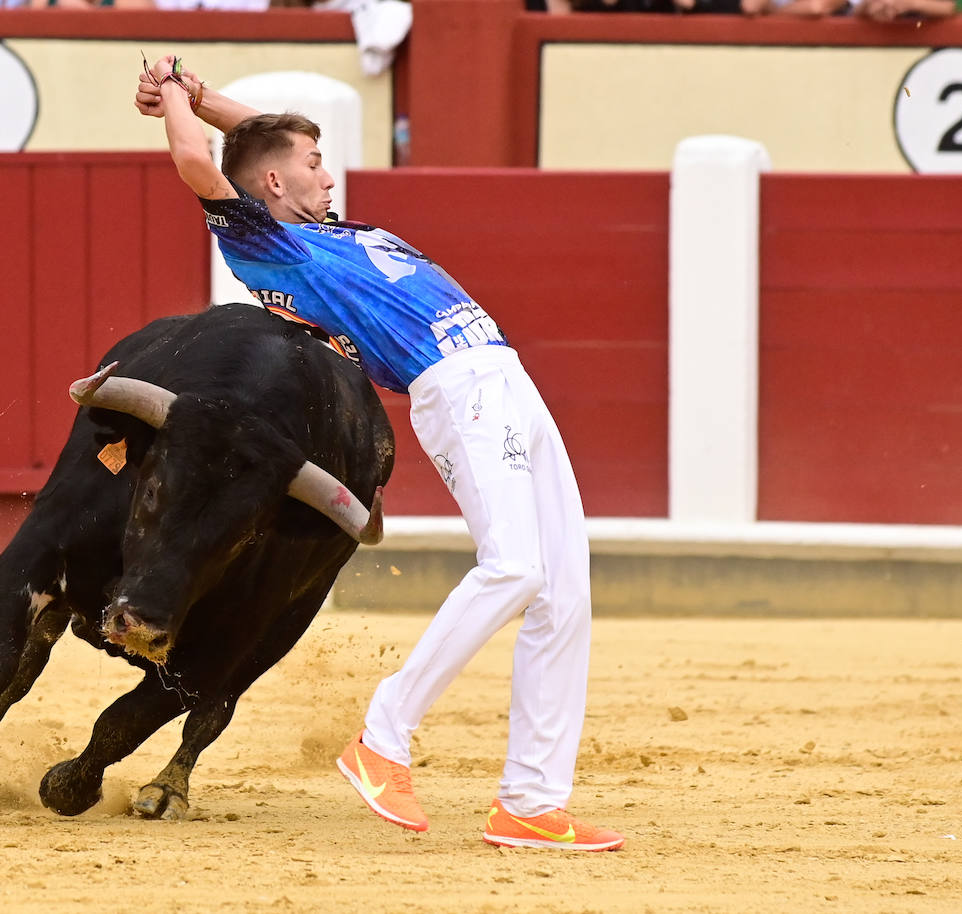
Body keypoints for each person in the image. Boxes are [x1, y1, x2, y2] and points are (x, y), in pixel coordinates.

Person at [135, 55, 624, 851]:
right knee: (515, 568)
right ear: (273, 188)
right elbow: (201, 160)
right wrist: (173, 110)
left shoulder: (317, 224)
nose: (328, 175)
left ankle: (531, 801)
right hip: (456, 384)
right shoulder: (271, 244)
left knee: (563, 590)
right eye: (314, 166)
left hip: (505, 376)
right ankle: (382, 737)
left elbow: (256, 138)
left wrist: (191, 92)